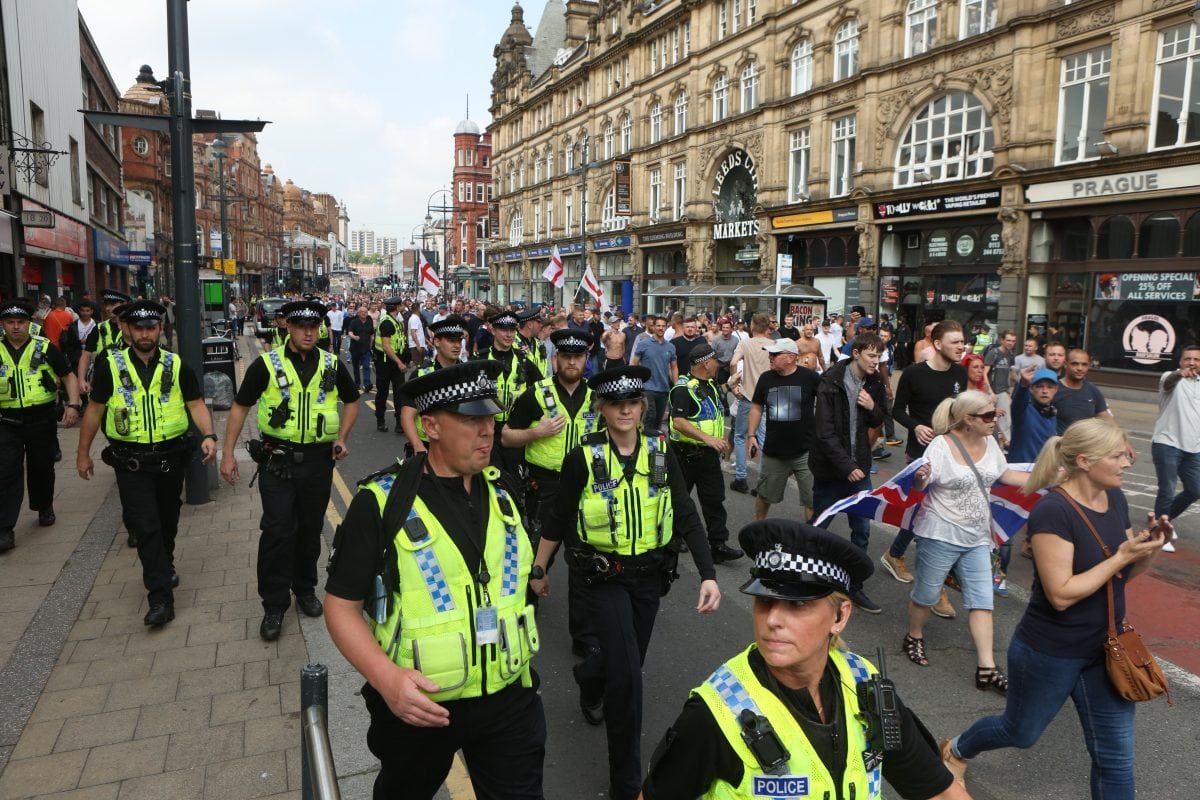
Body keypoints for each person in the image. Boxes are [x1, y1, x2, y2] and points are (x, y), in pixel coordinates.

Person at [324, 360, 546, 800]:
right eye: (470, 420)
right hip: (421, 705)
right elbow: (341, 606)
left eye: (490, 418)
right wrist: (387, 680)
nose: (487, 431)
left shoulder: (505, 491)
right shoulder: (381, 502)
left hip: (508, 698)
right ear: (431, 427)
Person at [642, 519, 970, 800]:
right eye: (764, 601)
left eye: (797, 604)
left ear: (840, 616)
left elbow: (937, 790)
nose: (772, 620)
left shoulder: (865, 686)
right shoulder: (714, 714)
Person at [944, 419, 1170, 800]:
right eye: (1117, 456)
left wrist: (1148, 550)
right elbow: (1061, 594)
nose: (1127, 463)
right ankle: (957, 749)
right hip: (1050, 650)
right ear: (1084, 461)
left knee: (1116, 759)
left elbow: (1119, 577)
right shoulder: (1053, 511)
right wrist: (1121, 557)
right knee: (1020, 731)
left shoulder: (1115, 498)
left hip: (1106, 649)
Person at [530, 365, 722, 800]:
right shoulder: (582, 457)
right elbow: (558, 518)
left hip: (649, 579)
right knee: (629, 680)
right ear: (602, 409)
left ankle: (590, 673)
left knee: (624, 660)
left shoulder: (660, 452)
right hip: (602, 580)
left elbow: (685, 512)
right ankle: (627, 784)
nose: (625, 411)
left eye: (633, 403)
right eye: (616, 404)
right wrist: (539, 571)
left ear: (642, 407)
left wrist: (708, 574)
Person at [220, 300, 360, 641]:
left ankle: (306, 589)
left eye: (314, 327)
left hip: (318, 462)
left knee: (310, 529)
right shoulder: (267, 364)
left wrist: (342, 437)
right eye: (301, 327)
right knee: (278, 531)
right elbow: (240, 406)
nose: (308, 333)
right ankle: (274, 604)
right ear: (288, 327)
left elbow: (352, 400)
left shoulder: (330, 364)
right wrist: (227, 454)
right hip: (277, 462)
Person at [75, 301, 217, 626]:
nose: (144, 334)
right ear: (127, 330)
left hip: (170, 460)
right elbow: (94, 411)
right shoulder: (111, 366)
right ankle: (160, 599)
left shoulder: (176, 365)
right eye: (138, 328)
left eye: (150, 328)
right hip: (132, 463)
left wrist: (209, 435)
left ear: (160, 329)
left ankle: (165, 564)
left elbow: (195, 403)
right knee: (146, 528)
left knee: (167, 522)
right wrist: (83, 454)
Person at [902, 391, 1030, 689]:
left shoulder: (990, 443)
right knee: (926, 595)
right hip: (939, 533)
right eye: (988, 416)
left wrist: (1052, 478)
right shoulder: (941, 445)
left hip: (977, 538)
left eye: (995, 414)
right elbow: (921, 485)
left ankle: (987, 667)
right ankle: (914, 635)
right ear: (968, 420)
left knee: (983, 601)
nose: (995, 420)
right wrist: (920, 476)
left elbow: (1007, 476)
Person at [503, 328, 597, 656]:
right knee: (535, 557)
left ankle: (584, 637)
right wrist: (537, 432)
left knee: (584, 560)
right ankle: (523, 617)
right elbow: (506, 437)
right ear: (556, 359)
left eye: (578, 356)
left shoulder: (597, 397)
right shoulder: (536, 394)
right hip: (545, 487)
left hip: (586, 489)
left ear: (586, 359)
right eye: (566, 356)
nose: (572, 362)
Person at [882, 321, 968, 620]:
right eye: (955, 342)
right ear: (938, 343)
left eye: (962, 341)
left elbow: (960, 412)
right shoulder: (914, 373)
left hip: (953, 453)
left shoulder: (960, 373)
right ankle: (936, 587)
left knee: (927, 516)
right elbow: (896, 410)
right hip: (922, 456)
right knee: (930, 517)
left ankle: (894, 554)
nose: (961, 346)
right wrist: (915, 426)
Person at [809, 333, 888, 613]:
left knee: (862, 530)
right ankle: (807, 577)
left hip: (860, 469)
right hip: (831, 471)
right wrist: (847, 467)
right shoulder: (830, 381)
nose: (876, 362)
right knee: (819, 526)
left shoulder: (875, 382)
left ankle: (854, 586)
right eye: (871, 356)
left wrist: (872, 406)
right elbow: (825, 433)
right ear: (856, 354)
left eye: (879, 357)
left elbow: (881, 418)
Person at [0, 300, 81, 552]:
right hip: (6, 421)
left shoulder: (44, 347)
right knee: (6, 472)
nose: (16, 327)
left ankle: (44, 505)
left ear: (29, 323)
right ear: (3, 325)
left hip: (41, 419)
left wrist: (73, 405)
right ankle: (5, 528)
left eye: (20, 322)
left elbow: (68, 376)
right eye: (10, 322)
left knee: (42, 466)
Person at [669, 343, 742, 563]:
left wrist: (729, 385)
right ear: (706, 364)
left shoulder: (709, 384)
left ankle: (718, 545)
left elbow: (711, 406)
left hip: (708, 455)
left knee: (714, 500)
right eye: (716, 361)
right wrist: (707, 438)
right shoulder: (683, 389)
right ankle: (673, 539)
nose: (718, 365)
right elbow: (678, 421)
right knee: (680, 500)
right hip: (685, 455)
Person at [745, 338, 821, 523]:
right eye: (770, 354)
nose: (770, 357)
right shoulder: (766, 378)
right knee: (765, 495)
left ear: (790, 357)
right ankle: (758, 528)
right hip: (775, 451)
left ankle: (812, 535)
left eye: (774, 354)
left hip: (805, 451)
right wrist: (751, 435)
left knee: (812, 500)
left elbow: (827, 402)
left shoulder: (810, 378)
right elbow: (756, 407)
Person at [477, 308, 541, 473]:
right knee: (490, 475)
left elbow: (541, 388)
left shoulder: (524, 360)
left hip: (515, 429)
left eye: (512, 330)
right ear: (493, 330)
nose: (508, 335)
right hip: (486, 428)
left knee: (515, 477)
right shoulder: (480, 359)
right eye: (504, 330)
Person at [1150, 344, 1200, 553]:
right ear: (1180, 361)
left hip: (1193, 448)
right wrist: (1180, 374)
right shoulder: (1170, 378)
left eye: (1196, 359)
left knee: (1195, 490)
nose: (1192, 363)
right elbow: (1170, 381)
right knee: (1167, 490)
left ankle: (1164, 520)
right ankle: (1160, 534)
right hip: (1167, 443)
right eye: (1187, 359)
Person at [401, 315, 470, 455]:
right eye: (451, 341)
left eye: (459, 341)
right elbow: (407, 416)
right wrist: (418, 446)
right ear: (437, 342)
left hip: (459, 445)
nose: (457, 346)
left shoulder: (468, 373)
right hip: (428, 446)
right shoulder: (422, 375)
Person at [727, 314, 773, 494]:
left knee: (740, 436)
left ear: (752, 326)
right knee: (764, 438)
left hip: (748, 396)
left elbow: (733, 362)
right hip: (767, 397)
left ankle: (741, 478)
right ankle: (762, 483)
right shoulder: (773, 345)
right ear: (768, 327)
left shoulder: (745, 343)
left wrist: (734, 383)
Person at [630, 315, 678, 435]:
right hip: (647, 387)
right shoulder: (643, 344)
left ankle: (655, 444)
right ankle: (643, 441)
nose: (661, 328)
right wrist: (635, 384)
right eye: (658, 326)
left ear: (666, 327)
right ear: (653, 327)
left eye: (663, 326)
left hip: (664, 389)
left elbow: (674, 367)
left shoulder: (671, 347)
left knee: (658, 421)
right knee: (650, 416)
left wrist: (676, 385)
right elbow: (634, 364)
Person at [1053, 349, 1112, 434]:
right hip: (1062, 441)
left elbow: (1105, 417)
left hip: (1086, 441)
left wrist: (1121, 438)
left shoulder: (1092, 389)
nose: (1080, 368)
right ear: (1065, 364)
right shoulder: (1054, 389)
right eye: (1075, 364)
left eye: (1084, 364)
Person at [373, 297, 409, 434]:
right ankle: (380, 421)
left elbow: (400, 341)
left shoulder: (396, 321)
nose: (402, 306)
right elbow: (386, 346)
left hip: (396, 361)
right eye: (401, 305)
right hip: (385, 362)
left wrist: (404, 359)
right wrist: (399, 362)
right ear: (396, 307)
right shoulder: (387, 322)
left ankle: (399, 424)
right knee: (382, 392)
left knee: (400, 393)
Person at [983, 330, 1017, 444]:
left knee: (1005, 419)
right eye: (1008, 340)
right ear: (1002, 340)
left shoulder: (1011, 355)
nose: (1010, 343)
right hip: (991, 392)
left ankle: (1006, 444)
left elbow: (1009, 374)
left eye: (1013, 341)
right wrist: (990, 391)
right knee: (989, 419)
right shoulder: (993, 353)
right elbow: (984, 373)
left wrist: (1009, 392)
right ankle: (989, 443)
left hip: (1003, 392)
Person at [344, 305, 375, 391]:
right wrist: (354, 337)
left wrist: (371, 344)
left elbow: (372, 334)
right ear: (358, 313)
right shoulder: (354, 322)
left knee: (366, 366)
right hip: (355, 349)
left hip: (366, 349)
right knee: (356, 367)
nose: (364, 313)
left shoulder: (369, 322)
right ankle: (357, 383)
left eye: (365, 312)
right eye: (362, 312)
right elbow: (349, 332)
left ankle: (367, 384)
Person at [516, 308, 548, 377]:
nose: (541, 325)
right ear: (530, 324)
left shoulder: (539, 343)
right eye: (538, 322)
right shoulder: (514, 344)